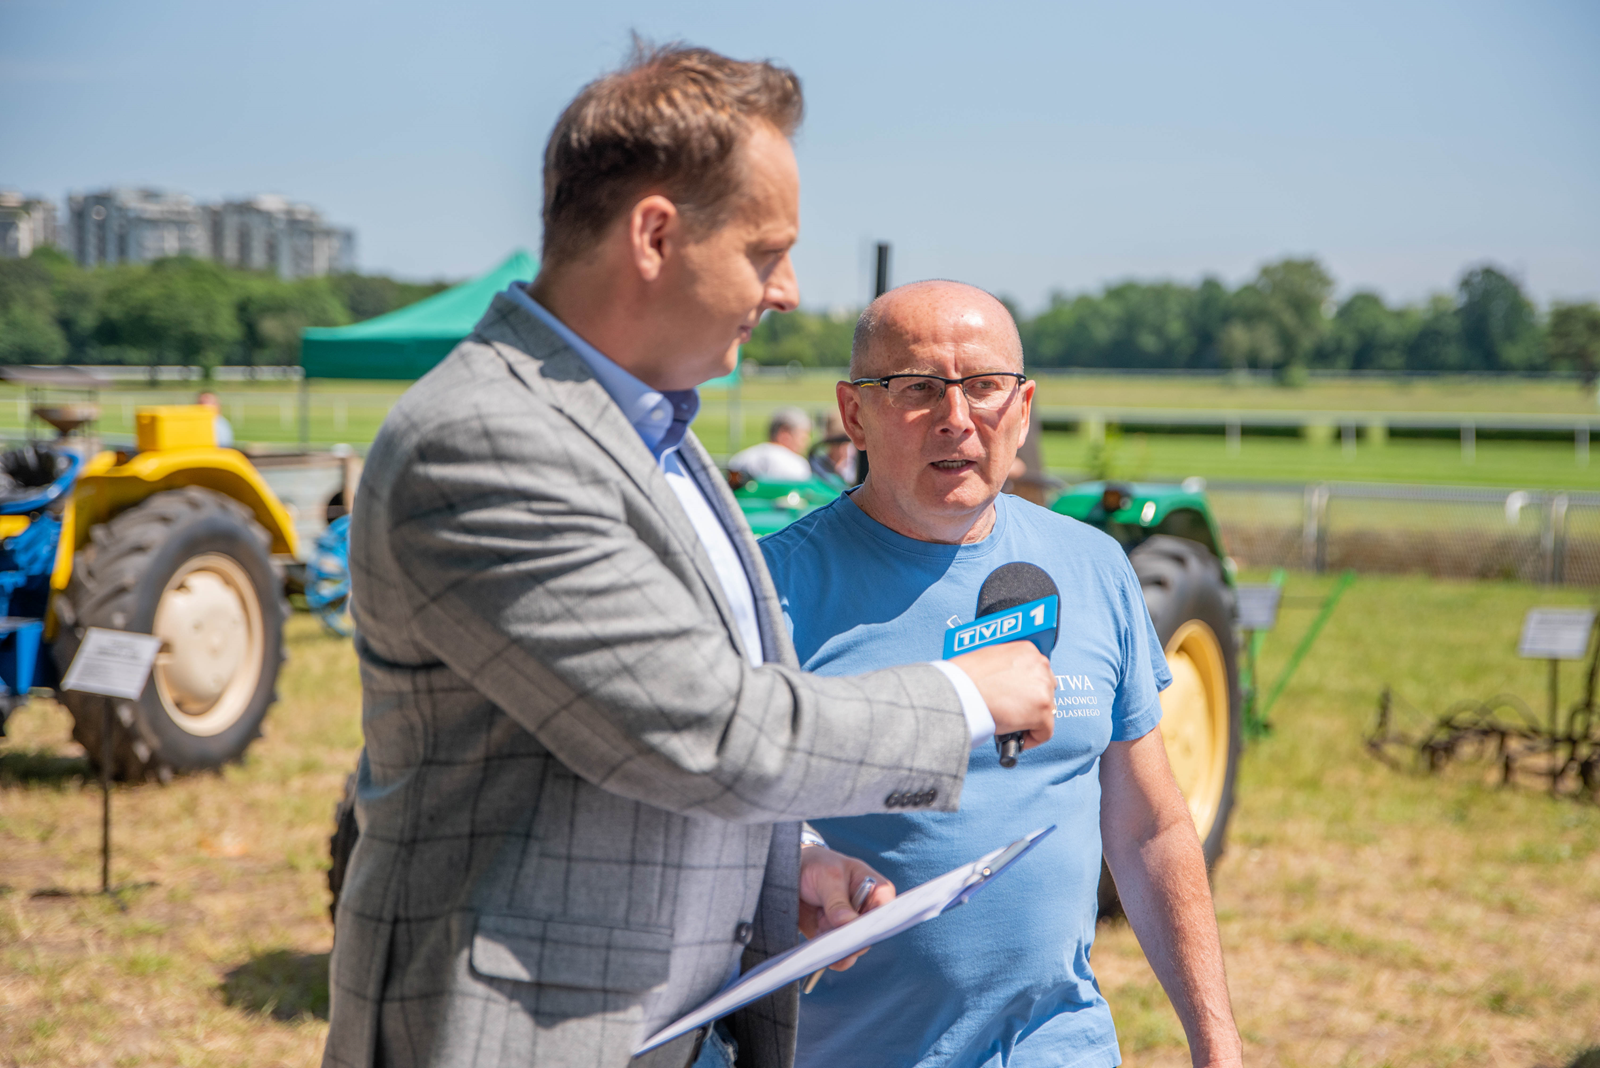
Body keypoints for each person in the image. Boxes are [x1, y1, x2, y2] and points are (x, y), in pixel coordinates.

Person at [323, 46, 1058, 1068]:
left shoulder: (650, 431)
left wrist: (784, 867)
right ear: (656, 235)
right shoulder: (484, 441)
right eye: (766, 251)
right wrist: (968, 697)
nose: (788, 290)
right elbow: (706, 731)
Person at [760, 281, 1243, 1068]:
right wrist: (801, 856)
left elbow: (1149, 827)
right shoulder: (771, 592)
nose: (956, 417)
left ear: (1022, 408)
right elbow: (714, 815)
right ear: (854, 414)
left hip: (1060, 1047)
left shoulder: (1094, 567)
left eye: (984, 386)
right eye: (917, 388)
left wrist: (1217, 1044)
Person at [728, 407, 814, 482]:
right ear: (785, 435)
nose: (807, 442)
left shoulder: (740, 459)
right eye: (803, 437)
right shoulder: (796, 464)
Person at [809, 412, 857, 485]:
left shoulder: (857, 464)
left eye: (849, 443)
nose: (844, 449)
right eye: (838, 443)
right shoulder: (816, 465)